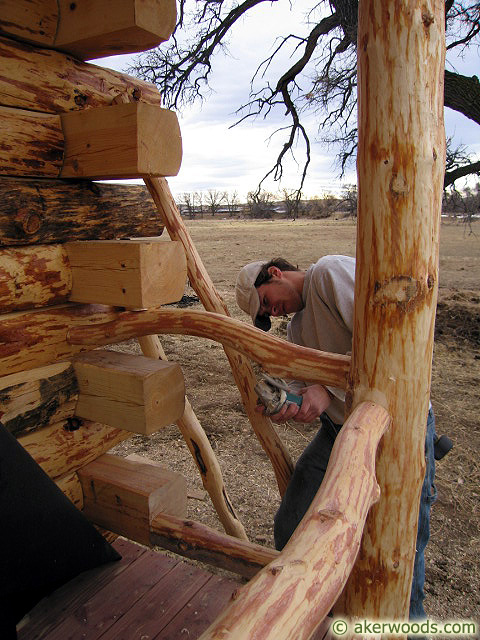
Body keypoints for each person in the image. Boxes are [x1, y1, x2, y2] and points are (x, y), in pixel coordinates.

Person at [235, 255, 437, 621]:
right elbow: (304, 393)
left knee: (401, 550)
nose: (274, 312)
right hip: (340, 431)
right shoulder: (296, 332)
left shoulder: (327, 275)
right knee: (290, 524)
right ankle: (324, 612)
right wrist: (290, 406)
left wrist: (326, 388)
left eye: (266, 301)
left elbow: (386, 333)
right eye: (266, 314)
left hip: (401, 426)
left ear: (275, 273)